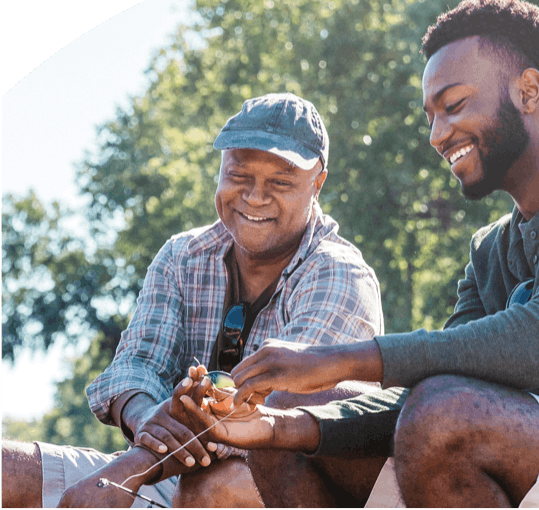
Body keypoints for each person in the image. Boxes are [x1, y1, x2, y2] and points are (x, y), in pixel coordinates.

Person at [174, 0, 539, 509]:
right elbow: (421, 395)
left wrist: (340, 356)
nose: (436, 134)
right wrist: (277, 425)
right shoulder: (491, 251)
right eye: (429, 116)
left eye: (452, 104)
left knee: (445, 416)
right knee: (308, 424)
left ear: (527, 90)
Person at [1, 93, 385, 509]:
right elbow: (134, 365)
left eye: (280, 181)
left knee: (214, 490)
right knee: (7, 468)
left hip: (282, 485)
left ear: (318, 184)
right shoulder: (183, 255)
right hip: (171, 468)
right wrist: (148, 417)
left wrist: (132, 468)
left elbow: (265, 414)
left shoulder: (340, 274)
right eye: (239, 175)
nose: (255, 197)